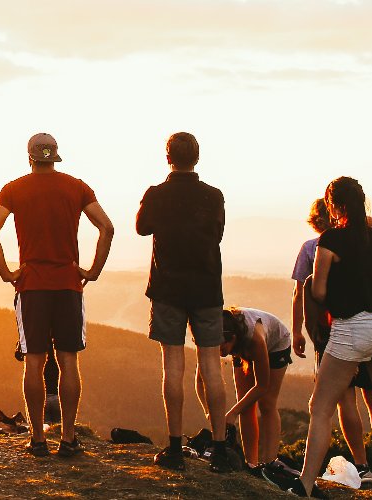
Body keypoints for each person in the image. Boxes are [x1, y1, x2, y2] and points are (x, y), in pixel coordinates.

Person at [264, 177, 372, 498]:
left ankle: (305, 485)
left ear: (334, 206)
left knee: (320, 407)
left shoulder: (330, 240)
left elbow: (317, 289)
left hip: (353, 328)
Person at [0, 132, 114, 458]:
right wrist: (93, 270)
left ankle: (38, 440)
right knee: (68, 360)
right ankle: (68, 439)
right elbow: (107, 227)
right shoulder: (77, 187)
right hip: (69, 285)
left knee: (33, 362)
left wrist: (6, 272)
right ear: (55, 156)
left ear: (30, 157)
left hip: (31, 287)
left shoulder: (13, 189)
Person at [135, 132, 240, 472]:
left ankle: (175, 448)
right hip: (207, 288)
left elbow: (141, 228)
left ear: (168, 158)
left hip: (168, 288)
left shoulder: (157, 194)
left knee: (173, 367)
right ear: (197, 157)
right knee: (211, 366)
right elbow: (219, 234)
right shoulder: (213, 196)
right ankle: (220, 449)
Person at [291, 198, 372, 484]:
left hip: (333, 332)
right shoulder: (365, 239)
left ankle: (362, 467)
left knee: (343, 401)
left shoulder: (310, 248)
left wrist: (298, 330)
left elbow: (301, 293)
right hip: (370, 324)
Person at [207, 307, 292, 471]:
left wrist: (231, 413)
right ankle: (251, 463)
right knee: (245, 404)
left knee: (267, 404)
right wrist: (208, 410)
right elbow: (201, 377)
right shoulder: (220, 333)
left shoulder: (254, 339)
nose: (219, 352)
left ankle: (269, 462)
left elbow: (262, 386)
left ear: (231, 339)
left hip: (276, 345)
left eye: (221, 348)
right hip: (242, 347)